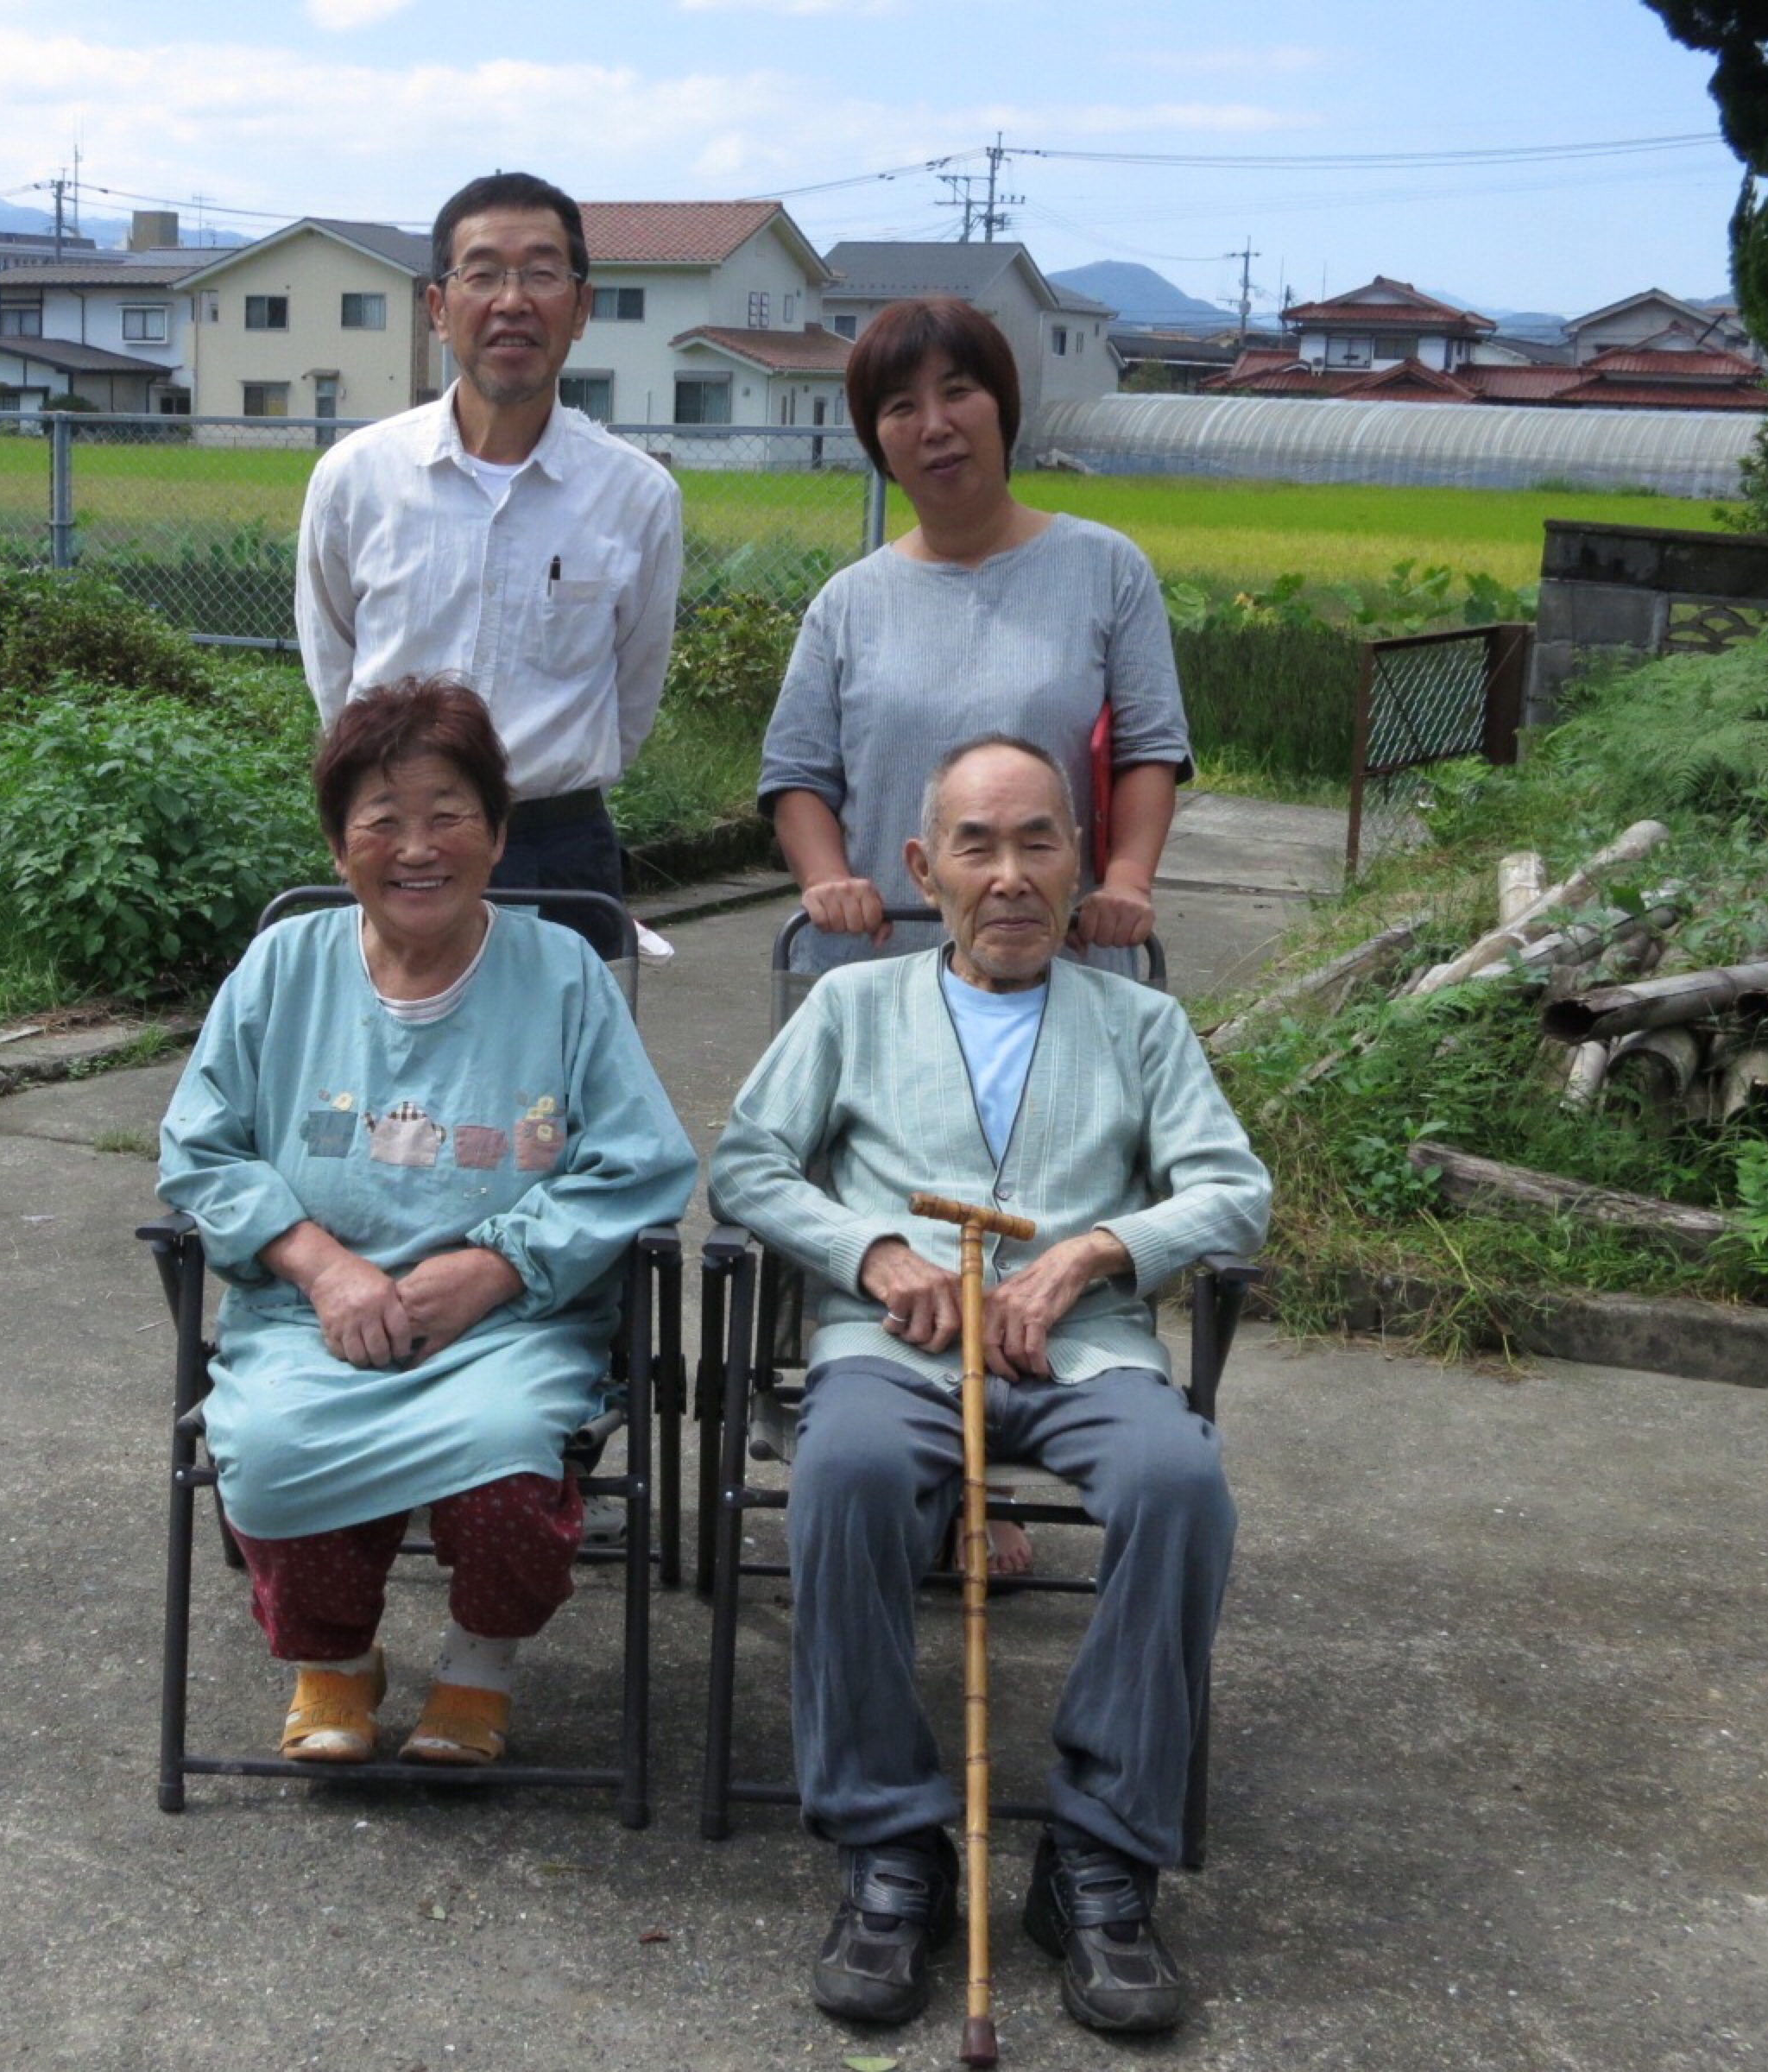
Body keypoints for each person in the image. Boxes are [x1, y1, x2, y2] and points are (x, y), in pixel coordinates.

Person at [710, 736, 1270, 2037]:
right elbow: (746, 1164)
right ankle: (891, 1845)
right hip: (895, 1345)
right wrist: (873, 1251)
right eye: (977, 846)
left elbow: (1233, 1190)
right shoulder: (849, 1007)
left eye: (1038, 842)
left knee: (1179, 1485)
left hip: (1084, 1350)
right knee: (845, 1474)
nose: (1009, 876)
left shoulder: (1140, 1024)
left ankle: (1099, 1855)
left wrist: (1091, 1252)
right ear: (924, 869)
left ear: (1079, 863)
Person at [157, 676, 698, 1767]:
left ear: (497, 835)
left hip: (508, 1328)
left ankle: (476, 1672)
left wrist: (496, 1266)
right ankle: (336, 1663)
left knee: (505, 1467)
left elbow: (640, 1162)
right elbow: (198, 1149)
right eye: (381, 821)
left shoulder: (561, 973)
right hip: (312, 1323)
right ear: (336, 843)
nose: (416, 848)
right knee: (266, 1450)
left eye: (448, 814)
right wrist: (321, 1268)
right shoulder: (282, 968)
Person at [296, 172, 684, 958]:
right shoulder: (356, 478)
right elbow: (335, 671)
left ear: (581, 308)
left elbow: (633, 692)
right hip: (399, 845)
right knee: (387, 1038)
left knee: (572, 1042)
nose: (513, 301)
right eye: (482, 275)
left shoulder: (637, 496)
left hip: (560, 845)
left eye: (542, 273)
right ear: (439, 308)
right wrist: (400, 792)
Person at [762, 297, 1193, 979]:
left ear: (1003, 407)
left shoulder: (1107, 570)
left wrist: (1127, 882)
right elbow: (797, 775)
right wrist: (825, 880)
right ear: (877, 442)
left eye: (958, 392)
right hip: (880, 971)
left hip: (1065, 964)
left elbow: (1149, 750)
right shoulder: (847, 603)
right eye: (901, 407)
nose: (935, 426)